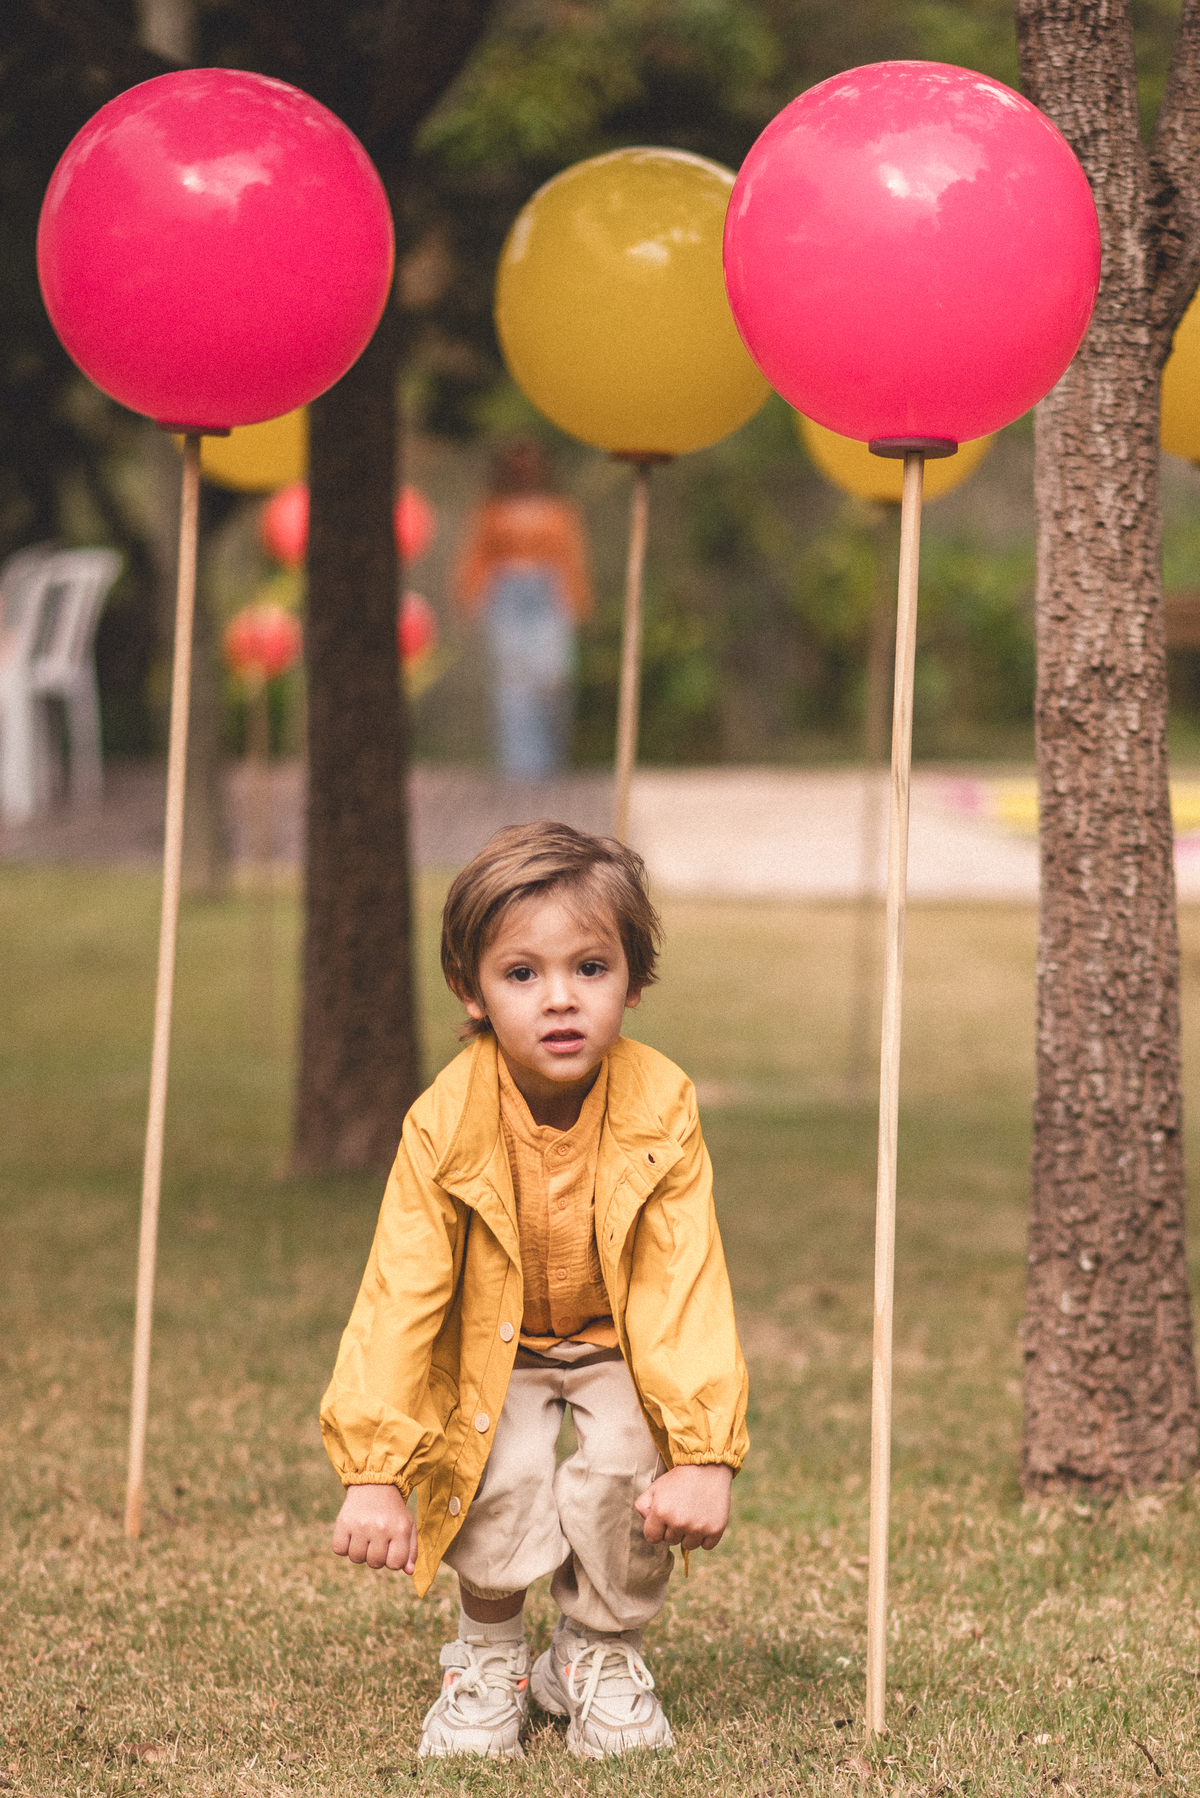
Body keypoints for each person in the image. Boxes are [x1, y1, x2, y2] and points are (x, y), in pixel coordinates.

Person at [321, 821, 748, 1762]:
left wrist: (705, 1453)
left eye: (590, 968)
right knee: (498, 1470)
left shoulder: (660, 1104)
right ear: (471, 992)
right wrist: (375, 1472)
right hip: (495, 1347)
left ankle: (596, 1653)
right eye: (523, 975)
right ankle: (487, 1658)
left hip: (614, 1343)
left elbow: (683, 1278)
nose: (560, 999)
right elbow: (400, 1293)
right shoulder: (445, 1121)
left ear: (633, 981)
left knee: (627, 1470)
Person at [453, 441, 593, 779]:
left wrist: (577, 602)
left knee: (553, 679)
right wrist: (472, 597)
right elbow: (476, 556)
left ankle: (550, 766)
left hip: (548, 594)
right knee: (514, 684)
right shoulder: (491, 510)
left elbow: (572, 558)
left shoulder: (560, 510)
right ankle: (520, 771)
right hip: (508, 595)